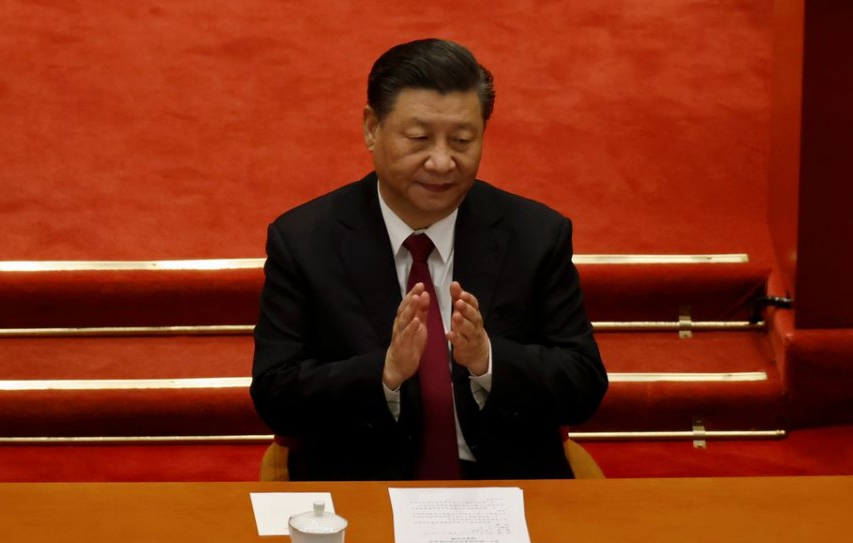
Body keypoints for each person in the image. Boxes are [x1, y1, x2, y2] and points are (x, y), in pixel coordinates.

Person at [251, 38, 607, 481]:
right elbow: (275, 395)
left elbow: (584, 385)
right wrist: (383, 373)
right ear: (371, 129)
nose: (442, 162)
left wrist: (489, 360)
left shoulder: (535, 234)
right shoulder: (305, 240)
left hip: (506, 487)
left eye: (462, 140)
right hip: (362, 486)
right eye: (419, 138)